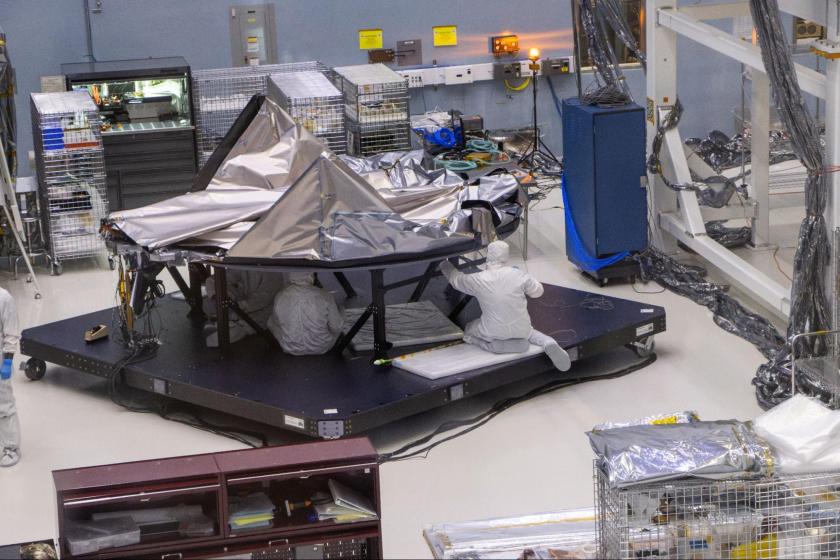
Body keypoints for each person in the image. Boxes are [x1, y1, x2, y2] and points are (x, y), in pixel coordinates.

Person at [439, 240, 571, 372]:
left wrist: (443, 262)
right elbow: (538, 292)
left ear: (489, 255)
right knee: (530, 333)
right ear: (505, 256)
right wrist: (525, 277)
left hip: (492, 331)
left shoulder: (478, 279)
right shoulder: (517, 274)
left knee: (469, 329)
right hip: (521, 329)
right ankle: (549, 343)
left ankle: (495, 346)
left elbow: (455, 280)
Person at [268, 272, 343, 355]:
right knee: (340, 315)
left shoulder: (280, 296)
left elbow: (276, 322)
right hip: (322, 347)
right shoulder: (324, 295)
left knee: (270, 322)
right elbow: (336, 327)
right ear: (311, 276)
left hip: (290, 348)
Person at [0, 286, 20, 467]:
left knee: (4, 406)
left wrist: (7, 361)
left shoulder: (4, 298)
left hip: (0, 361)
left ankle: (11, 448)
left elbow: (11, 332)